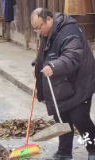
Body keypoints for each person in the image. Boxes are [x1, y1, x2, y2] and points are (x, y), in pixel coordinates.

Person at [31, 8, 95, 160]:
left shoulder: (69, 31)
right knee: (62, 118)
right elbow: (44, 52)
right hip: (62, 84)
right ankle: (64, 152)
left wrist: (53, 67)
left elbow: (72, 56)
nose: (39, 31)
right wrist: (37, 64)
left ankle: (93, 149)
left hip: (79, 82)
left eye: (39, 27)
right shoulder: (49, 32)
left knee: (80, 118)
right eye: (36, 29)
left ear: (49, 19)